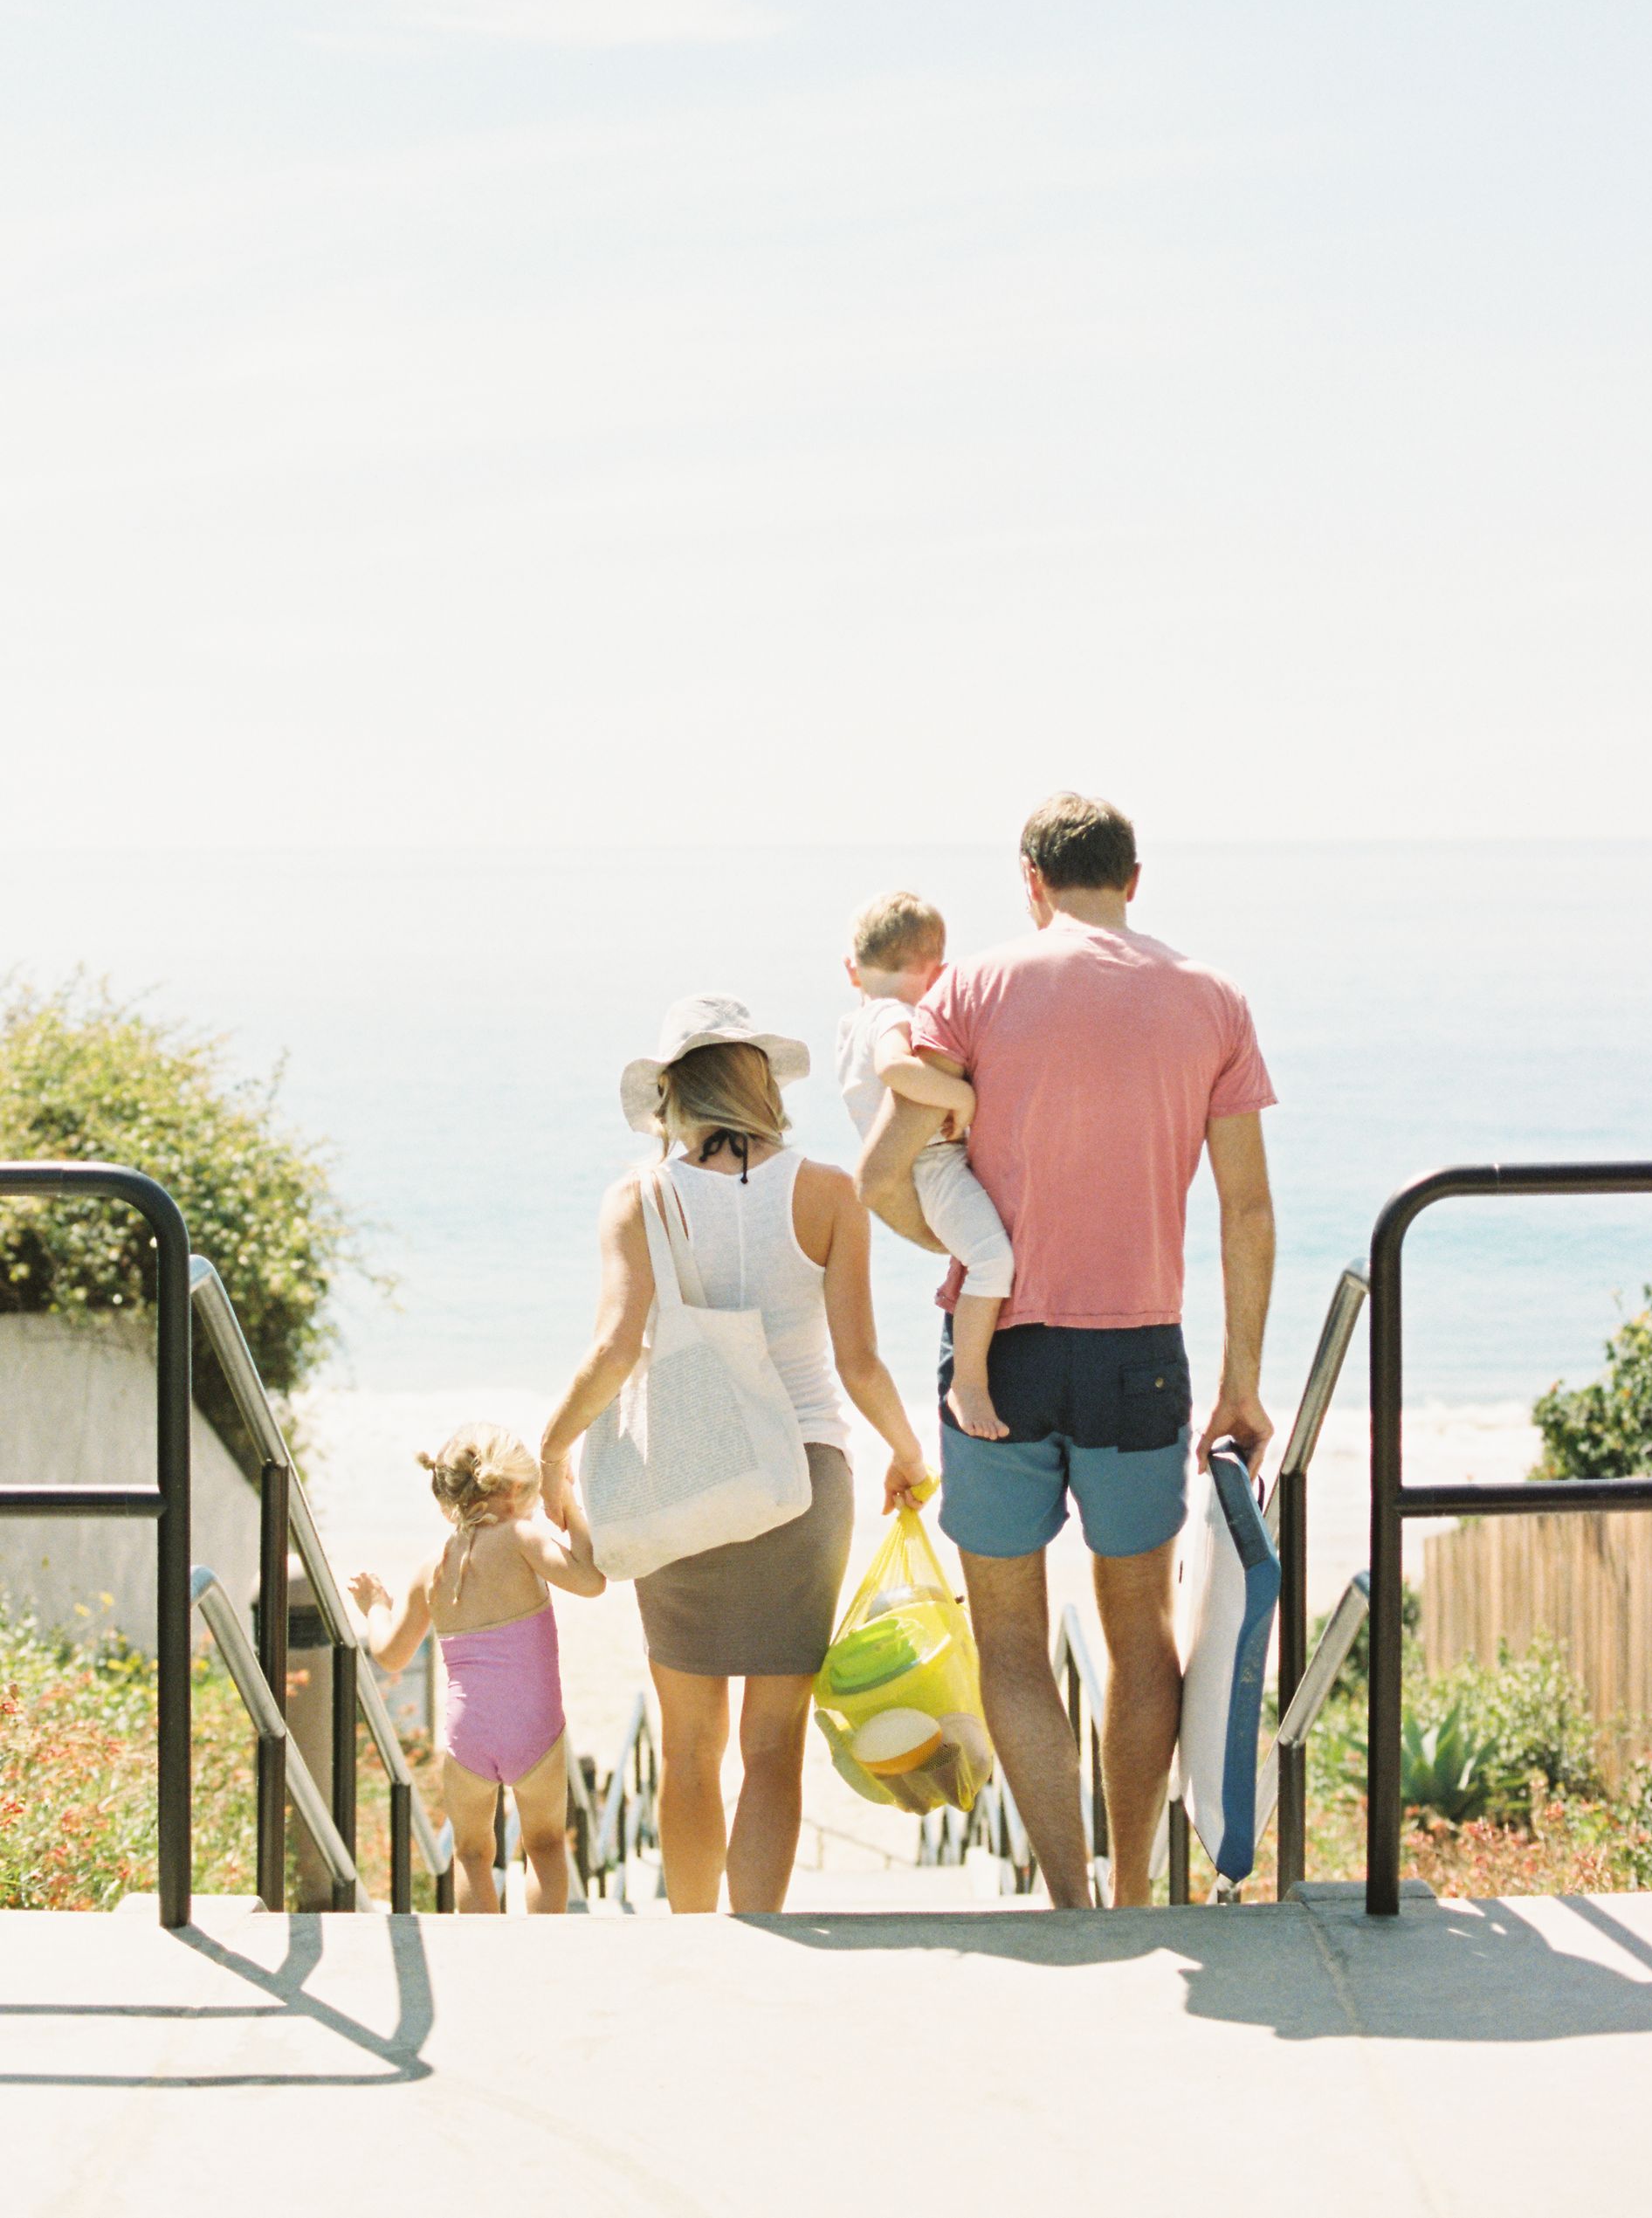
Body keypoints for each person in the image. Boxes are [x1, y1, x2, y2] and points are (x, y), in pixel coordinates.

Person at [857, 793, 1277, 1910]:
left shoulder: (977, 987)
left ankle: (1070, 1902)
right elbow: (1247, 1209)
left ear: (1029, 881)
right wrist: (1242, 1381)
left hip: (1000, 1350)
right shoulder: (1212, 998)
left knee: (1009, 1638)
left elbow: (885, 1171)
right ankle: (1134, 1887)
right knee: (1138, 1632)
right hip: (1141, 1351)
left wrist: (952, 1249)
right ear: (1135, 879)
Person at [540, 995, 931, 1915]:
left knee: (687, 1747)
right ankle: (761, 1933)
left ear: (672, 1099)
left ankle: (692, 1938)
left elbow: (616, 1349)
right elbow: (860, 1361)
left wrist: (554, 1449)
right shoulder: (830, 1191)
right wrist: (909, 1453)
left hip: (681, 1478)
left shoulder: (640, 1196)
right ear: (764, 1087)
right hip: (802, 1480)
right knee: (771, 1747)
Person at [351, 1423, 605, 1914]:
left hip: (468, 1736)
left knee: (470, 1854)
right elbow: (591, 1581)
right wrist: (570, 1507)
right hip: (535, 1730)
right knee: (546, 1846)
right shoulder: (521, 1538)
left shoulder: (432, 1568)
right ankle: (544, 1956)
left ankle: (484, 1961)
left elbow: (390, 1655)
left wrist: (375, 1606)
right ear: (513, 1489)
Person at [838, 889, 1015, 1440]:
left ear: (852, 969)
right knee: (991, 1262)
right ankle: (969, 1381)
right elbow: (895, 1066)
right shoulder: (897, 1015)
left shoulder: (854, 1022)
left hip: (925, 1164)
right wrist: (958, 1098)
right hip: (933, 1160)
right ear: (938, 972)